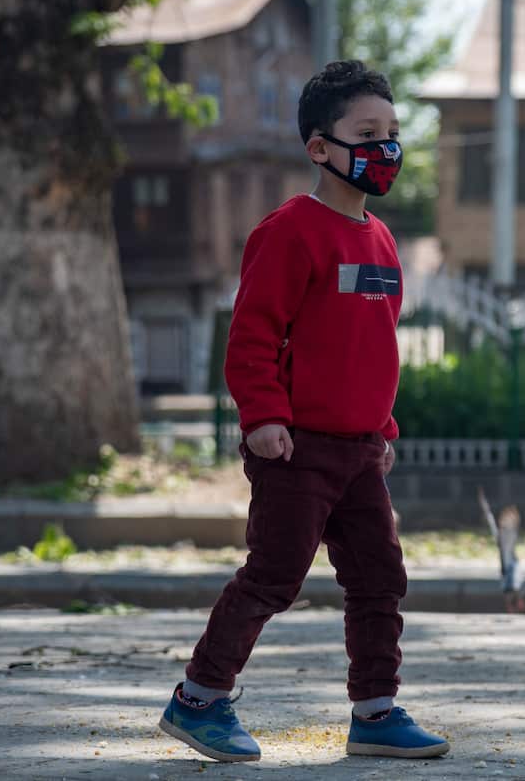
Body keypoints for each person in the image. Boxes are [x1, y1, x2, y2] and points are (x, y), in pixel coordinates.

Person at [157, 60, 449, 762]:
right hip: (294, 449)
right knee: (274, 576)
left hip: (359, 451)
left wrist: (383, 430)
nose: (386, 149)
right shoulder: (289, 232)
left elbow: (375, 348)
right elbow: (252, 335)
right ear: (320, 148)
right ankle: (199, 700)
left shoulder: (382, 241)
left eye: (393, 134)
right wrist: (262, 418)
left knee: (380, 577)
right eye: (366, 134)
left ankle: (375, 712)